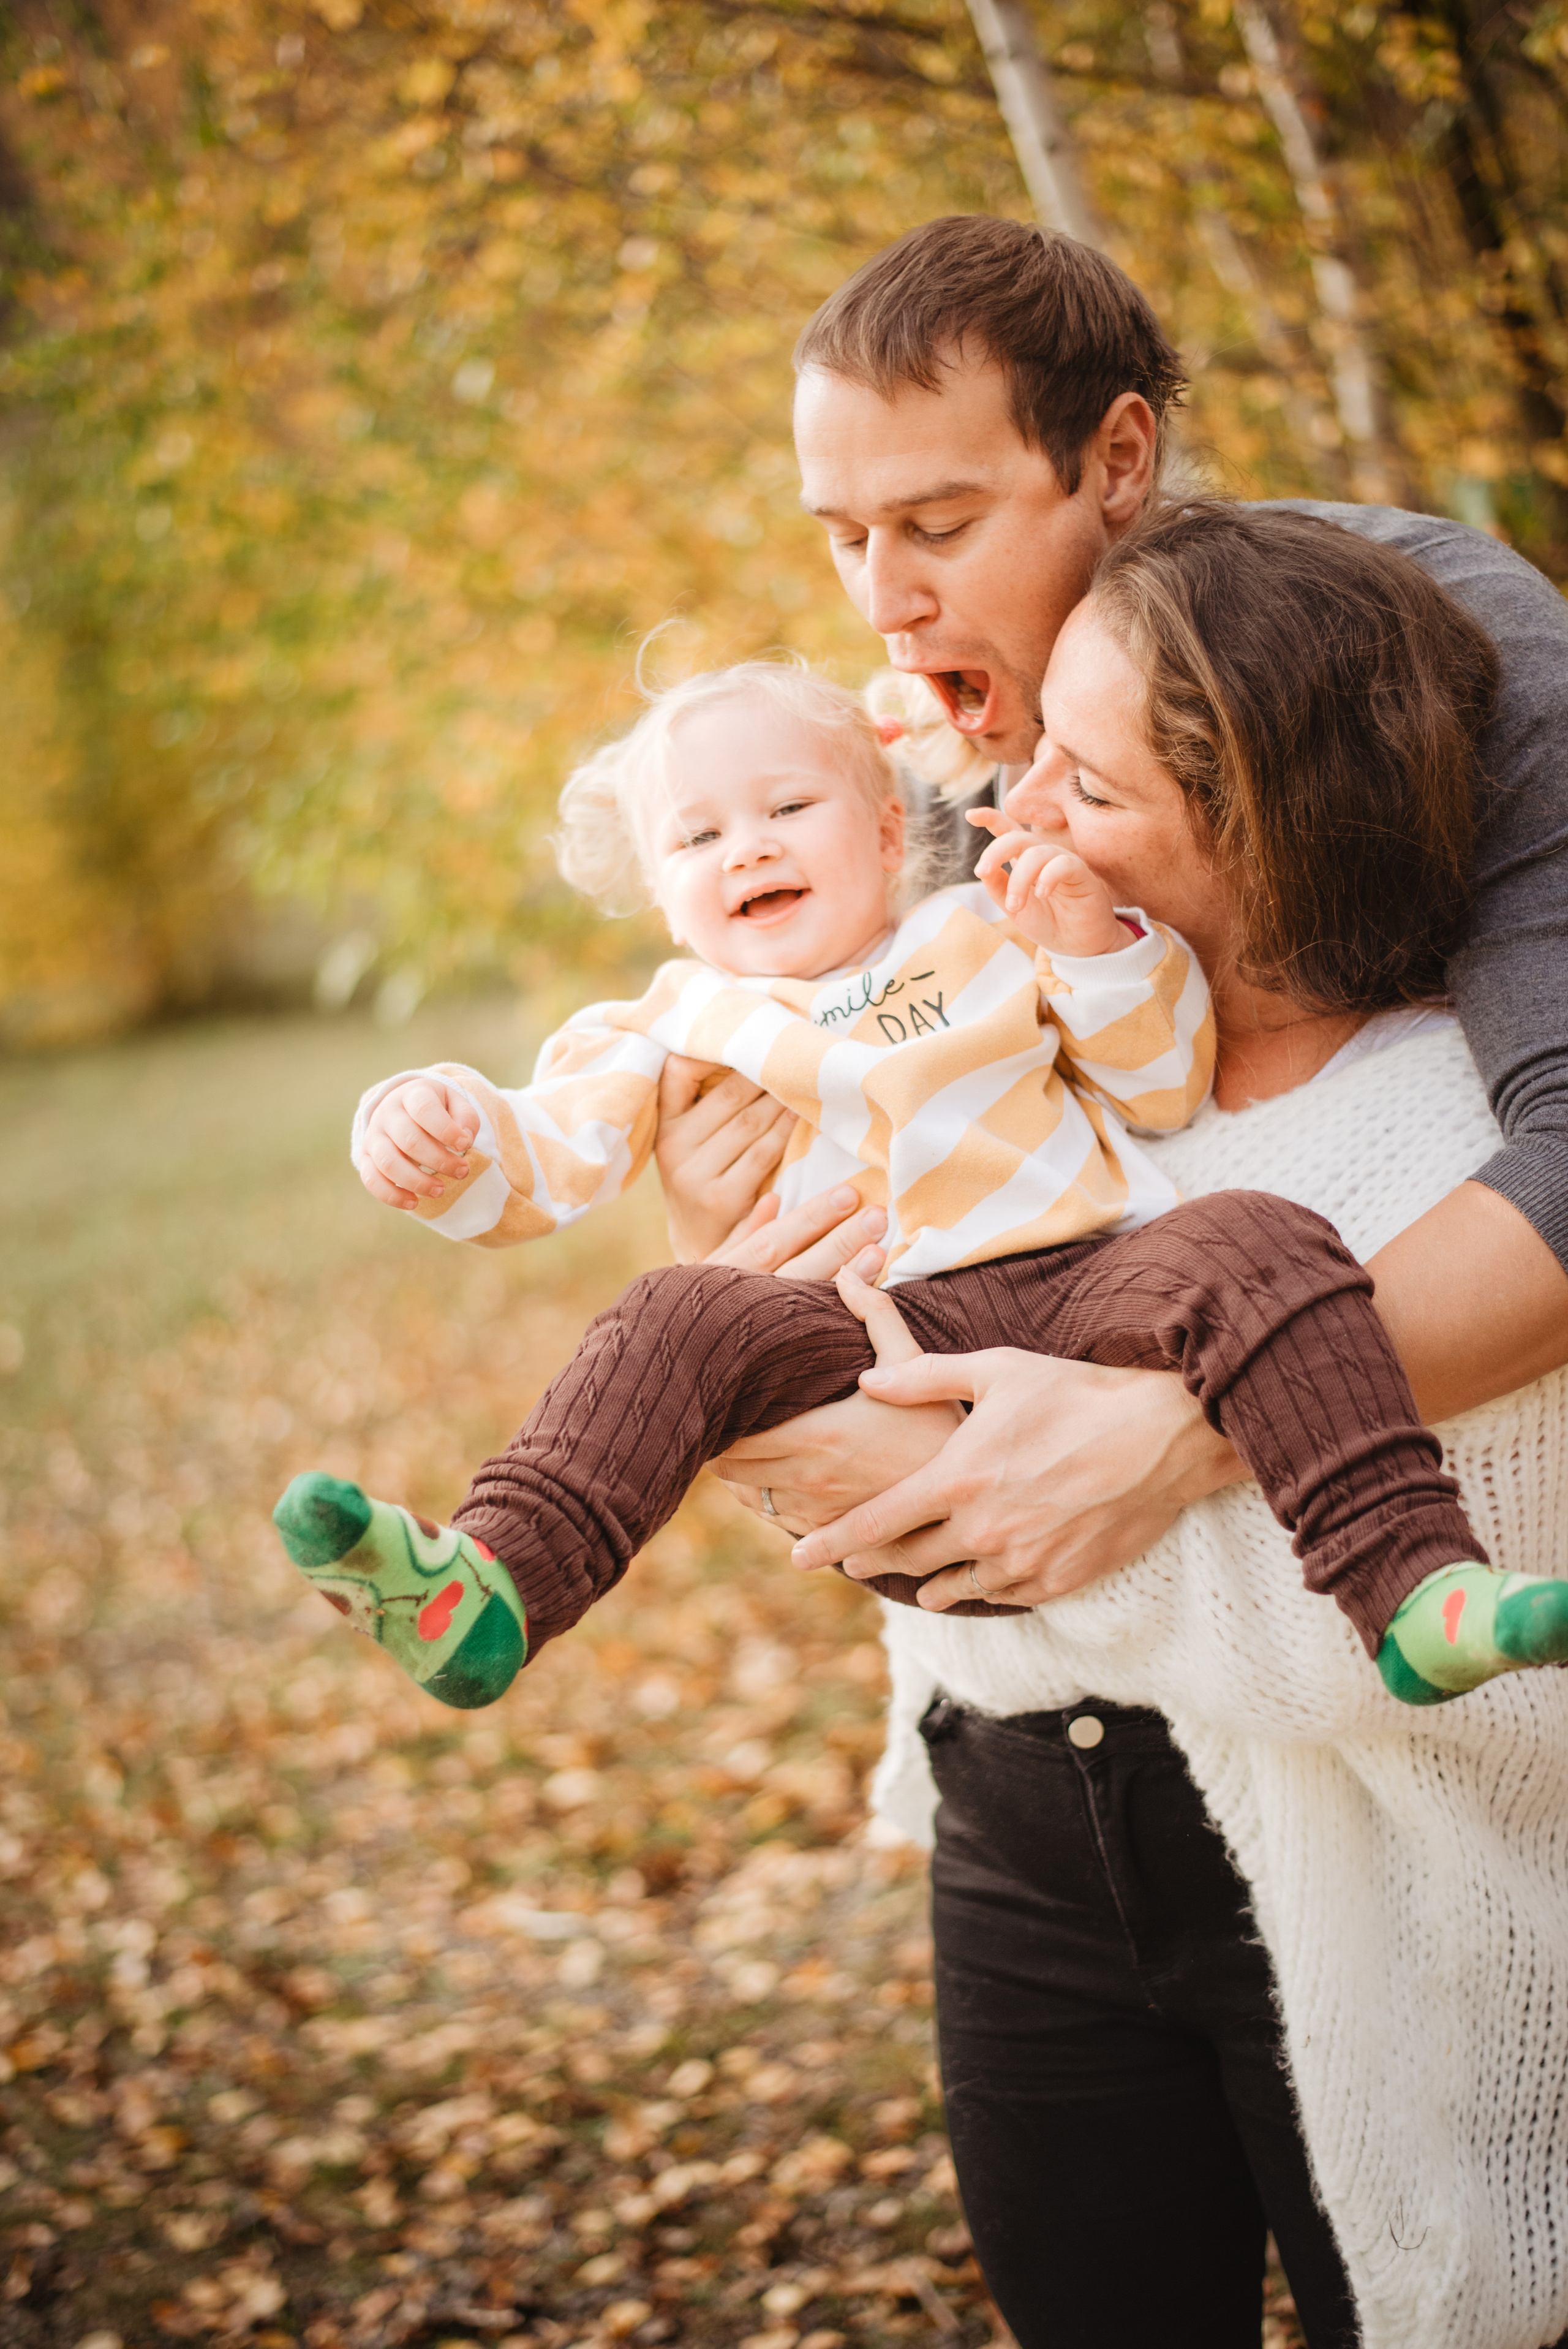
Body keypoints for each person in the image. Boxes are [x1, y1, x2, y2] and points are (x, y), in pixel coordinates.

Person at [647, 220, 1568, 2348]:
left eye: (937, 522)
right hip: (1023, 1795)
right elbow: (889, 1222)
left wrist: (1196, 1418)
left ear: (1121, 461)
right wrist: (738, 1267)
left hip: (1345, 1816)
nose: (881, 601)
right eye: (842, 535)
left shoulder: (1436, 657)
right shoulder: (955, 791)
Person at [274, 537, 1567, 1730]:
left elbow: (1165, 1084)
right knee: (673, 1310)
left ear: (891, 833)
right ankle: (494, 1579)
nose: (747, 850)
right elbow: (545, 1153)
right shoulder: (672, 1024)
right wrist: (438, 1131)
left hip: (1086, 1285)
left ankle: (1412, 1586)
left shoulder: (985, 928)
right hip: (871, 1341)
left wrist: (1092, 949)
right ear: (664, 901)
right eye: (699, 837)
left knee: (1258, 1238)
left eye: (788, 809)